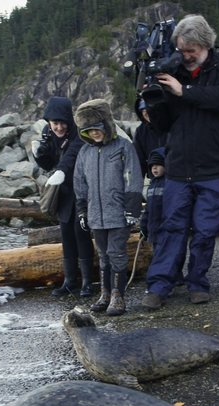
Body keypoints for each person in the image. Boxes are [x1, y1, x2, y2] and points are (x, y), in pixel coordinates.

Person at [140, 14, 219, 310]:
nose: (185, 56)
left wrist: (184, 91)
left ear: (205, 45)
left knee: (206, 229)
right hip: (180, 166)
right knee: (171, 229)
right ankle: (159, 287)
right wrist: (152, 104)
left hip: (216, 166)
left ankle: (198, 282)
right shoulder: (173, 71)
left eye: (191, 50)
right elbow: (162, 125)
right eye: (182, 50)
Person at [73, 98, 143, 316]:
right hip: (95, 214)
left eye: (97, 128)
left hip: (119, 212)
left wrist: (132, 208)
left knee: (116, 253)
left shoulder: (123, 147)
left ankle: (118, 296)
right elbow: (79, 182)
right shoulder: (85, 152)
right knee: (103, 255)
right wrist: (82, 210)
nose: (94, 133)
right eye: (89, 130)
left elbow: (133, 177)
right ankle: (104, 293)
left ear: (107, 125)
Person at [32, 96, 94, 297]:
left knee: (80, 231)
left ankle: (87, 282)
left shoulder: (78, 133)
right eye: (55, 123)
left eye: (62, 123)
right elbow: (49, 163)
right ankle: (70, 281)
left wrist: (61, 171)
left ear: (69, 120)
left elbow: (72, 155)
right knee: (66, 232)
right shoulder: (47, 132)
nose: (58, 127)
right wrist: (40, 155)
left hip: (83, 188)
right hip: (64, 190)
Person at [141, 147, 185, 285]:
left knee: (173, 254)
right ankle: (166, 278)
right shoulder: (152, 185)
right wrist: (144, 226)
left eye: (158, 165)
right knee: (159, 255)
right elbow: (148, 208)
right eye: (152, 166)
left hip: (168, 227)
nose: (154, 169)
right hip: (154, 229)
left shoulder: (171, 183)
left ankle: (176, 275)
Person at [133, 99, 167, 187]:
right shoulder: (141, 131)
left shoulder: (173, 126)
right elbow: (139, 163)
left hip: (176, 180)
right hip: (155, 181)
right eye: (142, 110)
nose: (145, 113)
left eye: (148, 109)